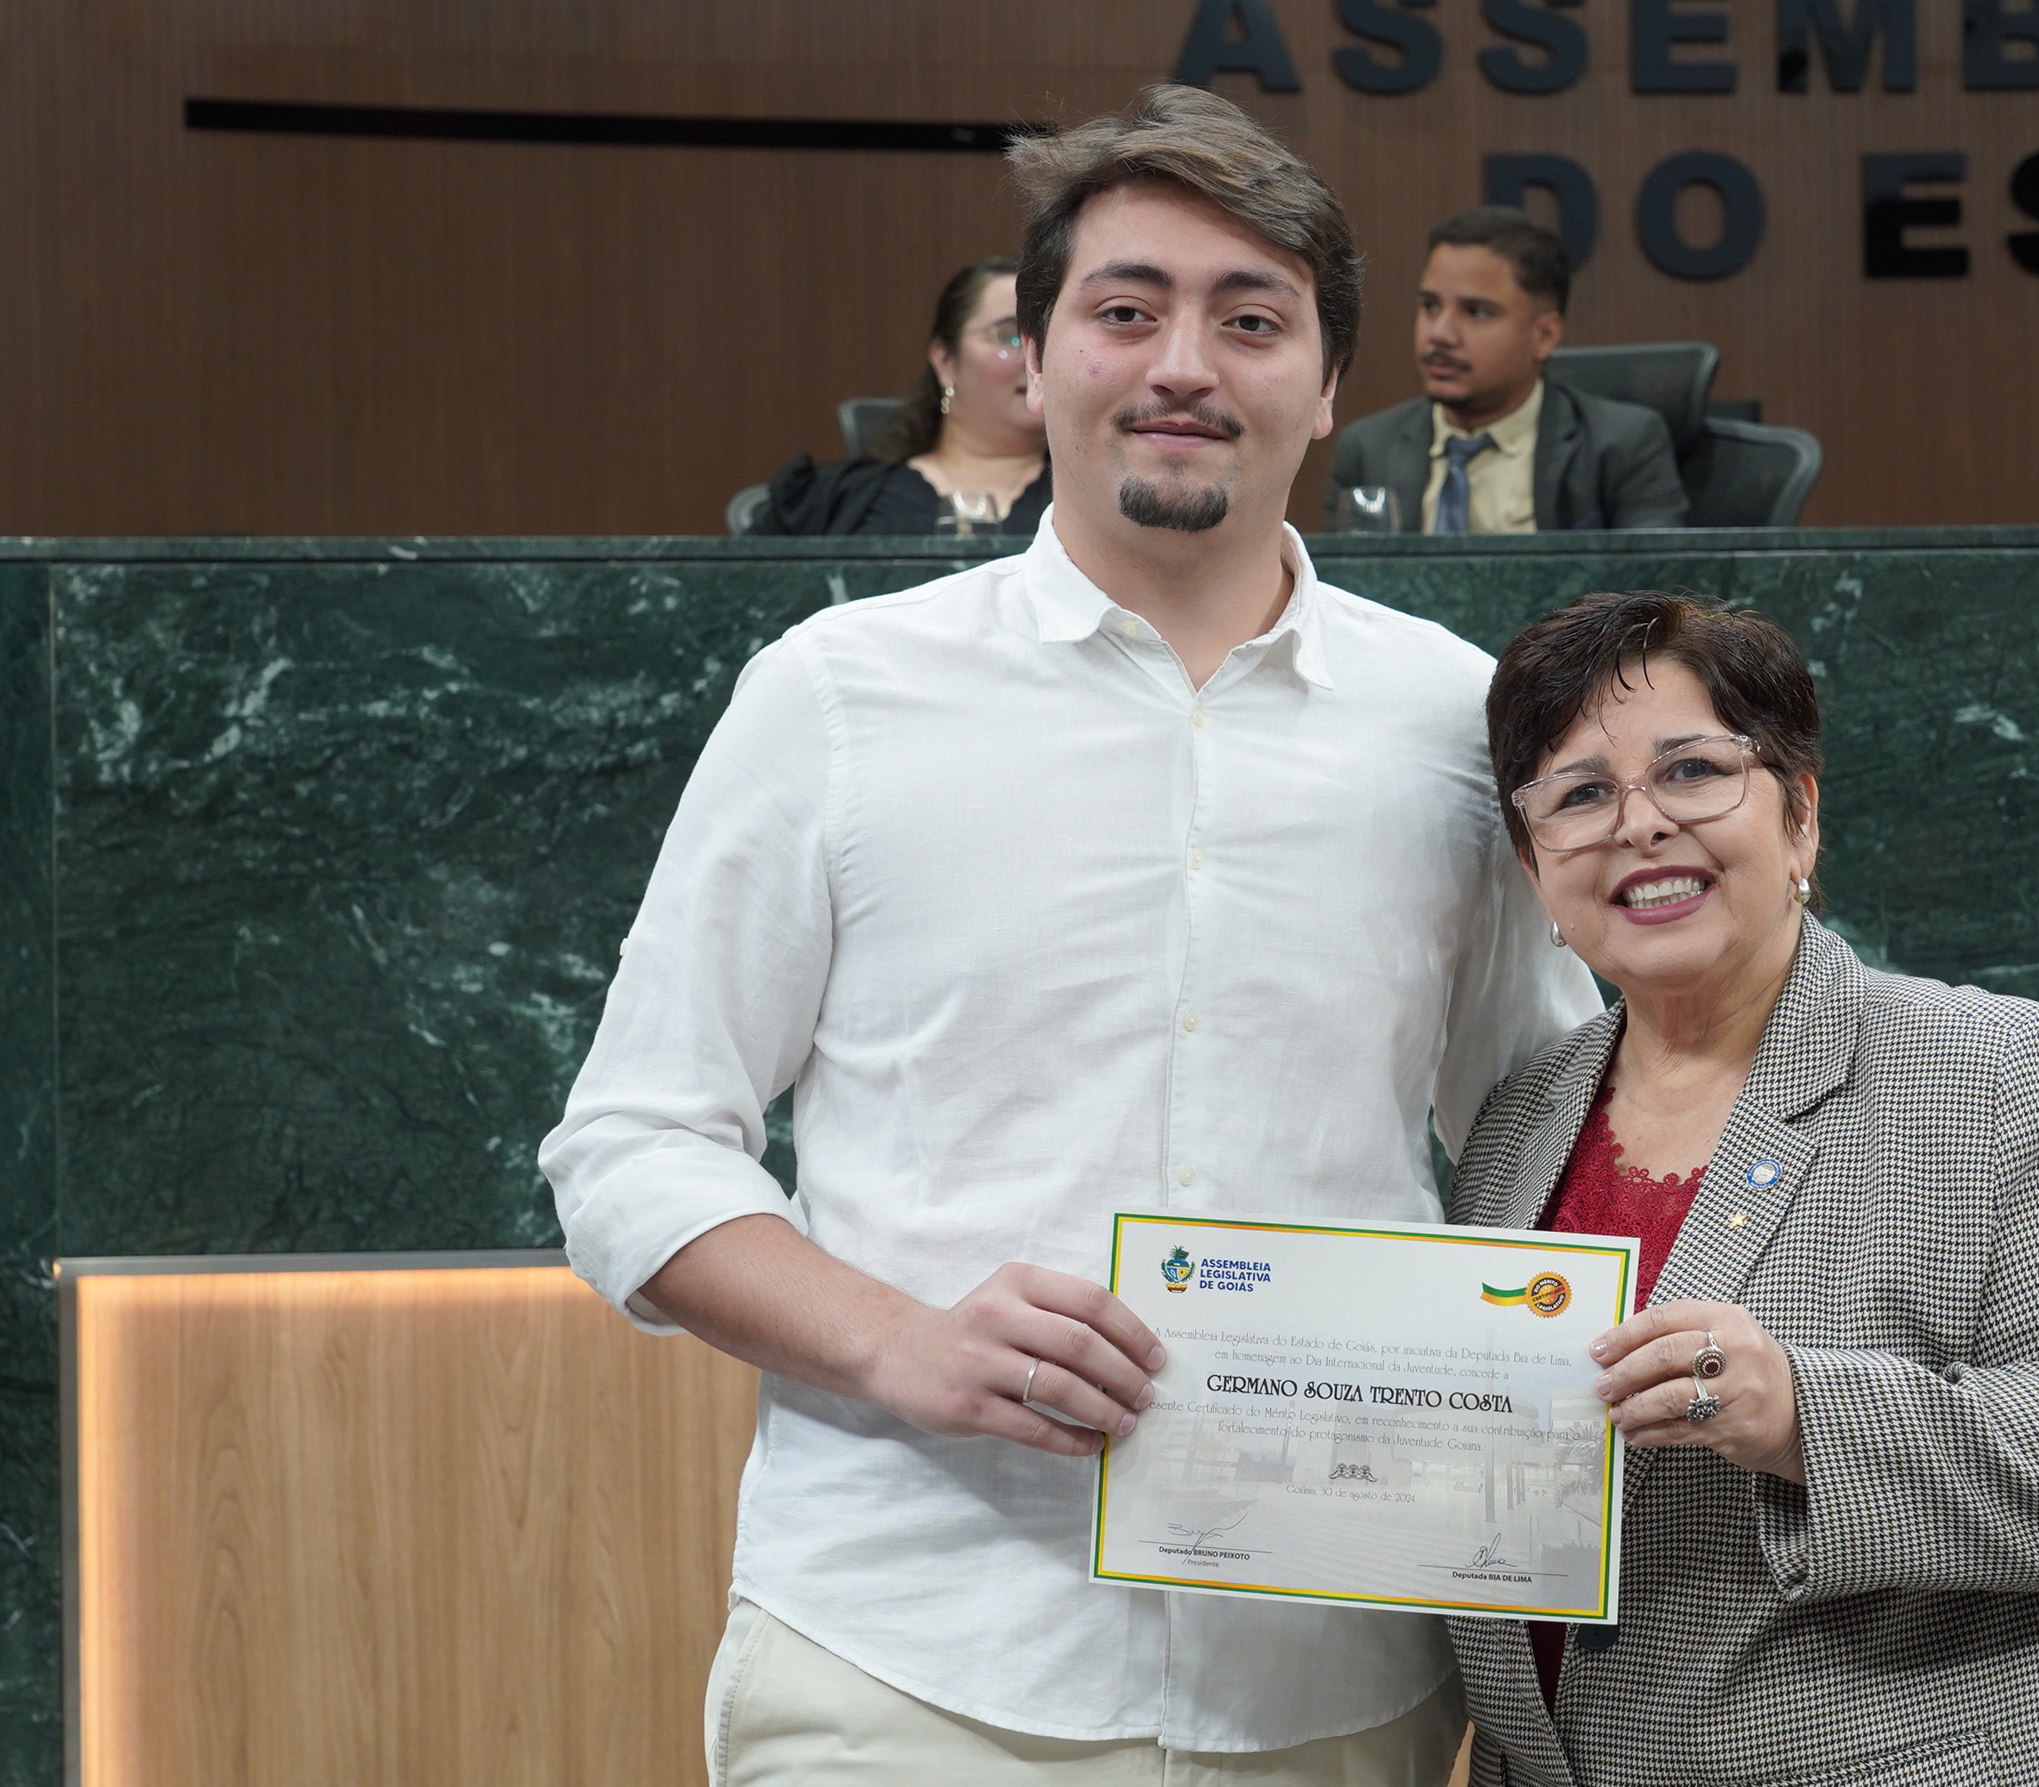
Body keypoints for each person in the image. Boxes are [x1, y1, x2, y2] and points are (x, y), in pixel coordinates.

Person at [543, 84, 1597, 1785]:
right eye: (1126, 310)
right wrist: (901, 1339)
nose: (1183, 365)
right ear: (1033, 359)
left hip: (1337, 1669)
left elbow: (1541, 1142)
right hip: (912, 1657)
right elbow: (632, 1144)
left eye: (1249, 320)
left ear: (1330, 383)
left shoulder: (1450, 723)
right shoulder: (837, 696)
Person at [1446, 590, 2039, 1787]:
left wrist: (1803, 1414)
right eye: (1581, 793)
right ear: (1532, 861)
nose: (1641, 823)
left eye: (1693, 770)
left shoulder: (1993, 1071)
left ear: (1801, 816)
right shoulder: (1516, 1120)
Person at [1324, 207, 1687, 533]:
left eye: (1477, 312)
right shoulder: (1369, 450)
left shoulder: (1621, 446)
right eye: (1430, 306)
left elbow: (1654, 582)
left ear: (1544, 335)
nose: (1440, 334)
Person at [749, 256, 1052, 534]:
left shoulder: (1079, 500)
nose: (1034, 357)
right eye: (1011, 337)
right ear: (945, 360)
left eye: (1047, 337)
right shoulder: (833, 500)